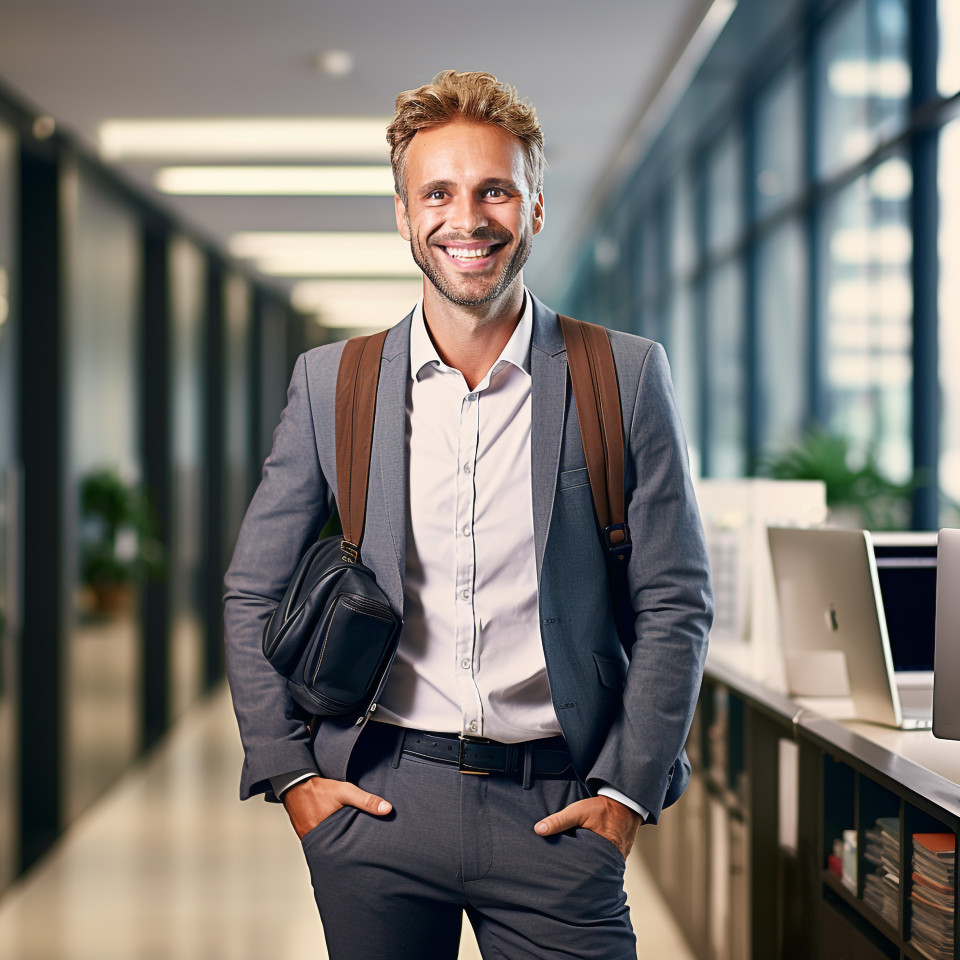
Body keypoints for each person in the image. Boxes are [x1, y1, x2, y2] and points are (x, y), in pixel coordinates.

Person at [224, 69, 713, 960]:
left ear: (532, 206)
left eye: (494, 189)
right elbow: (252, 590)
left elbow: (677, 600)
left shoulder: (626, 376)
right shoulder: (335, 383)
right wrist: (294, 777)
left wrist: (626, 794)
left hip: (558, 813)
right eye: (438, 193)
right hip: (379, 804)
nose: (468, 217)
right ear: (405, 217)